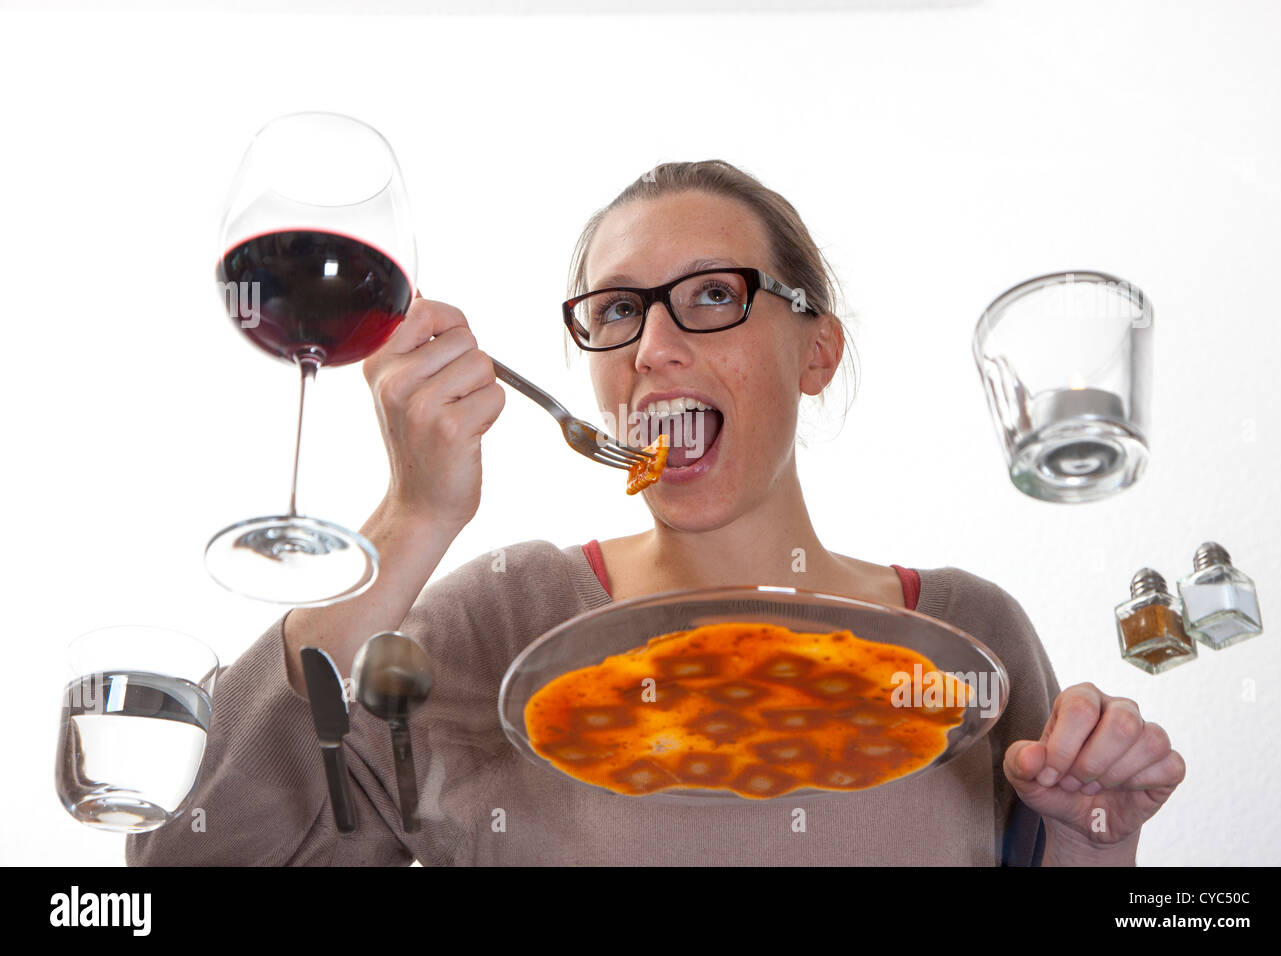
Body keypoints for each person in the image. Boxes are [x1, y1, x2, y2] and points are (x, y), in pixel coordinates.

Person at [127, 160, 1184, 866]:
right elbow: (188, 850)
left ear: (817, 350)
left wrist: (1096, 833)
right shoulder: (498, 615)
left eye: (713, 294)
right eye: (618, 309)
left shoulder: (970, 631)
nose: (651, 348)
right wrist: (411, 517)